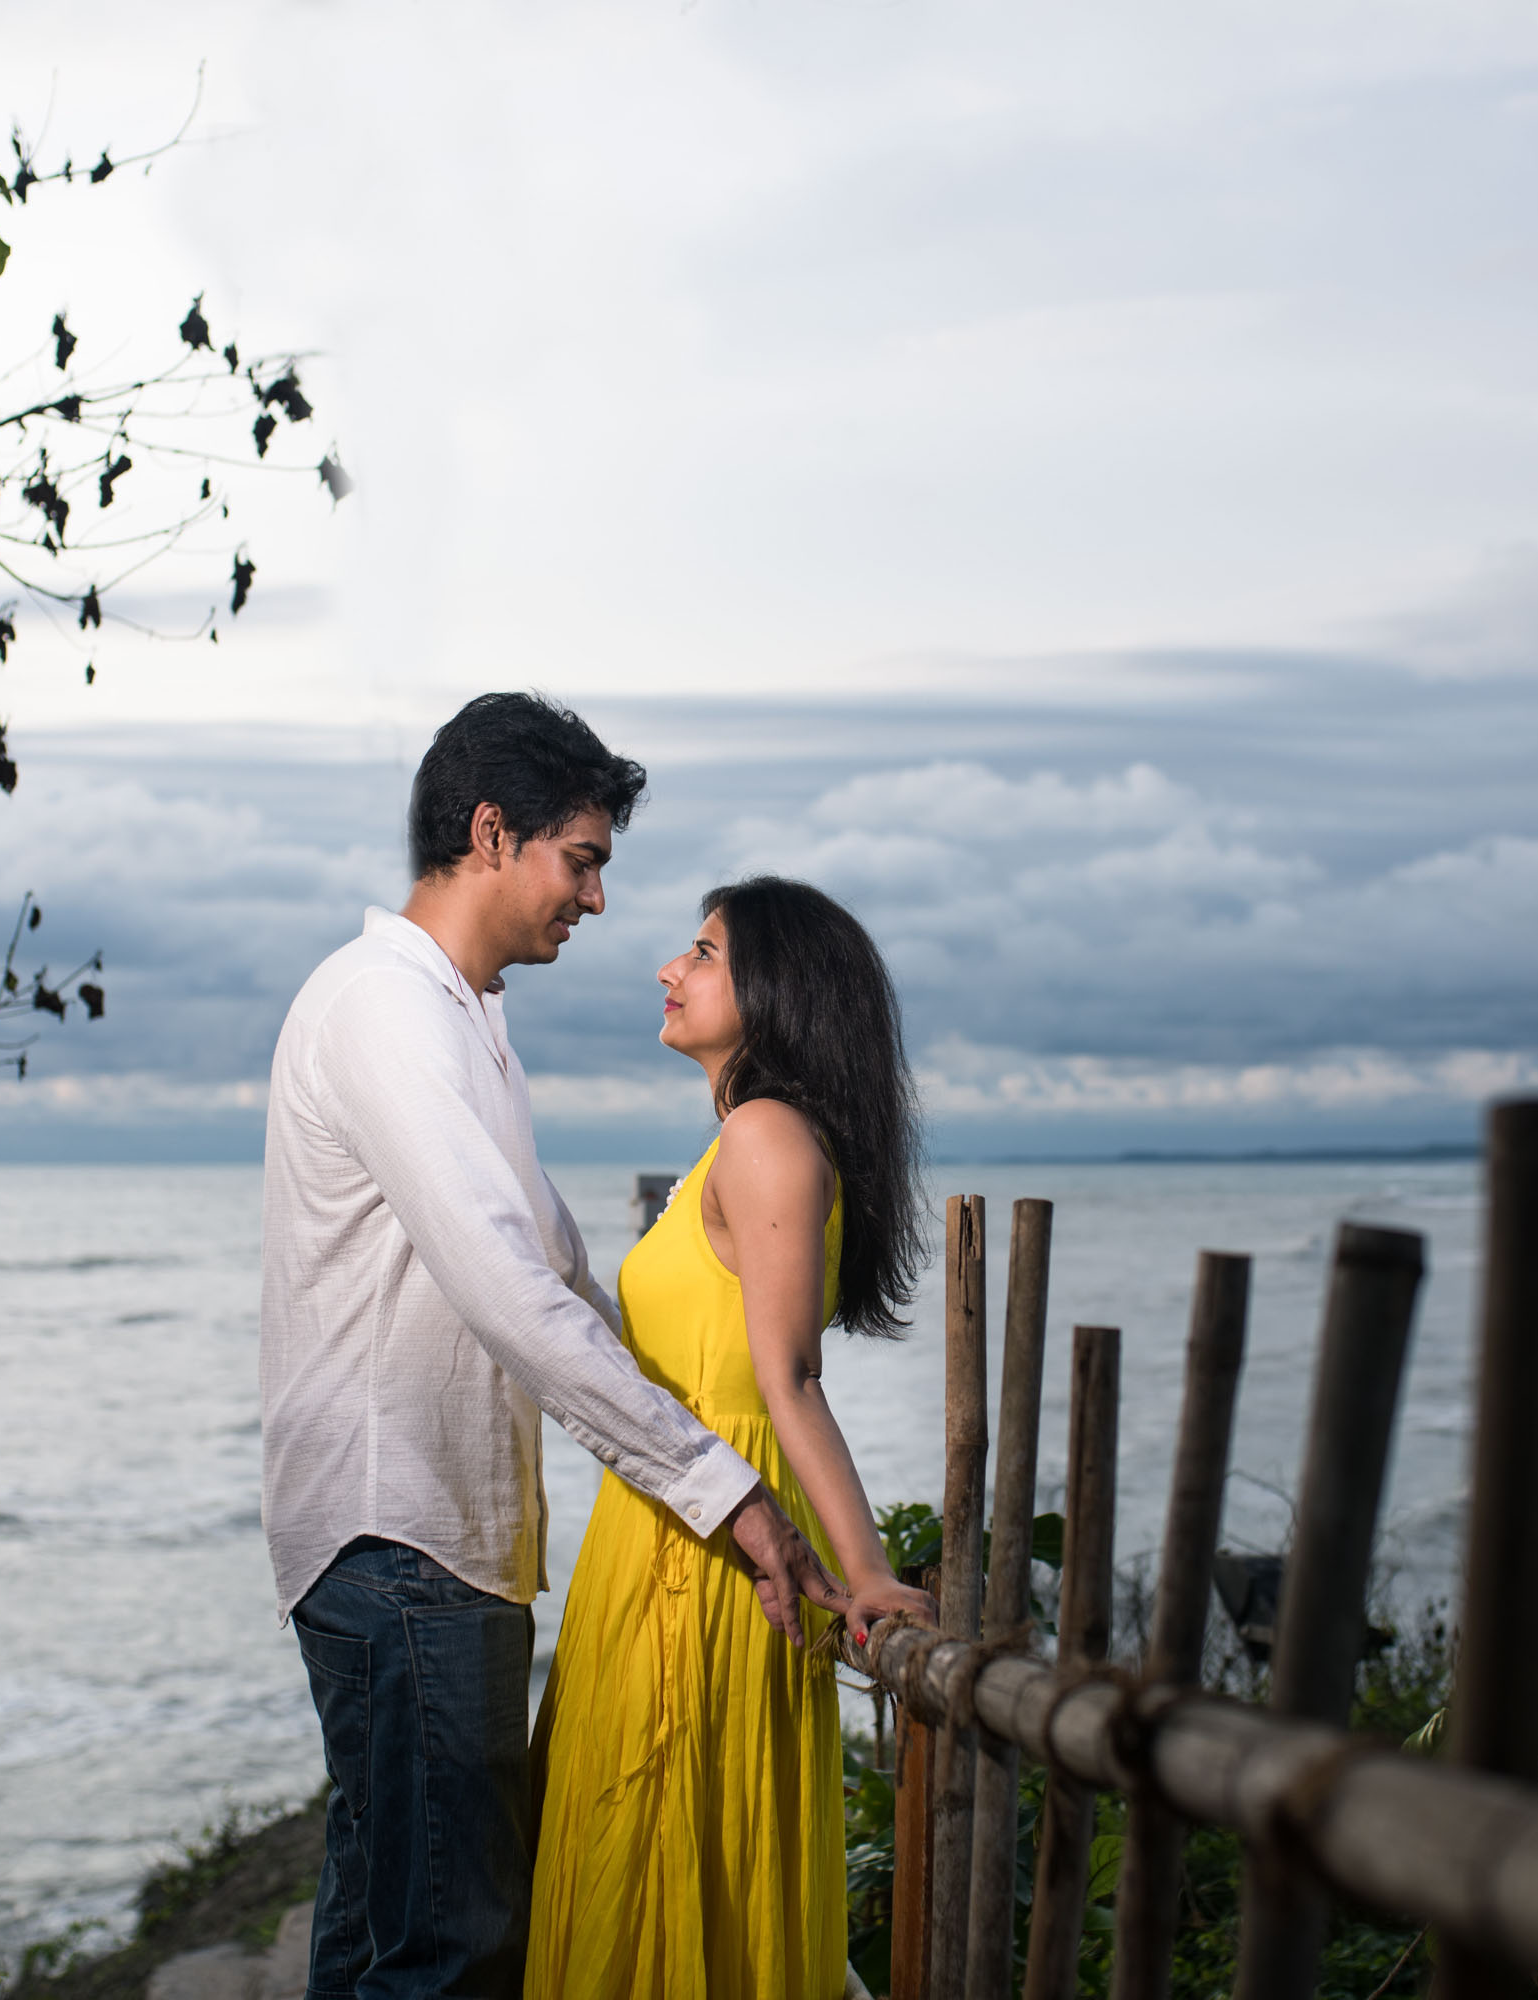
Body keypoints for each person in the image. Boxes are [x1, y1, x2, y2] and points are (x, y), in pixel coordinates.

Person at [260, 696, 848, 2000]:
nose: (593, 898)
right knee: (450, 1955)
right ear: (491, 834)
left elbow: (568, 1278)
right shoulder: (385, 1010)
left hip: (437, 1548)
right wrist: (727, 1491)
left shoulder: (471, 1030)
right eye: (580, 859)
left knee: (380, 1935)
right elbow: (512, 1295)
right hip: (396, 1539)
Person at [527, 876, 941, 1999]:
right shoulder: (735, 1143)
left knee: (665, 1861)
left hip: (710, 1557)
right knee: (643, 1859)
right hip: (669, 1528)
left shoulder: (765, 1133)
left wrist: (866, 1570)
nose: (670, 967)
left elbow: (788, 1377)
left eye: (702, 951)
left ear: (774, 989)